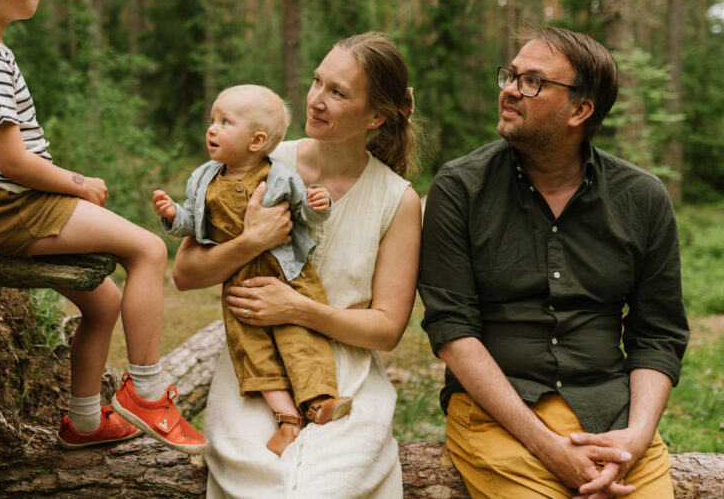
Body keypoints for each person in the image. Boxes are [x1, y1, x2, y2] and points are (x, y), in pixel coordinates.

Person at [0, 0, 205, 455]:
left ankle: (84, 421)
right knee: (148, 249)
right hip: (8, 205)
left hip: (0, 205)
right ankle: (147, 392)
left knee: (102, 302)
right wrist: (76, 181)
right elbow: (12, 162)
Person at [418, 26, 689, 498]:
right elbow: (452, 331)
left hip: (612, 417)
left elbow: (658, 334)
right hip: (496, 415)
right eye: (511, 75)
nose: (509, 89)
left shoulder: (641, 198)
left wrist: (636, 437)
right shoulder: (460, 188)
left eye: (533, 82)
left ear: (580, 110)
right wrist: (549, 448)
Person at [173, 33, 421, 496]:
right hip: (254, 369)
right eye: (316, 81)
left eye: (337, 92)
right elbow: (185, 275)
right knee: (260, 480)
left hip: (345, 376)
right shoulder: (258, 159)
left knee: (326, 486)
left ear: (377, 116)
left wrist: (298, 309)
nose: (316, 100)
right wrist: (251, 242)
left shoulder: (396, 200)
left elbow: (387, 330)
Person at [153, 84, 352, 456]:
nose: (211, 128)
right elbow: (196, 224)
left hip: (289, 273)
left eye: (225, 122)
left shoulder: (279, 176)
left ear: (257, 140)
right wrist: (171, 215)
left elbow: (303, 215)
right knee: (252, 349)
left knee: (300, 337)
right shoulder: (204, 179)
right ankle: (286, 418)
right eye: (212, 120)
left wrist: (318, 205)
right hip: (241, 281)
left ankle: (318, 401)